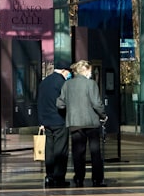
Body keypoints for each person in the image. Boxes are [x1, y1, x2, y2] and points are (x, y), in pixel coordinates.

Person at [57, 60, 107, 188]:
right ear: (84, 70)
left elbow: (60, 104)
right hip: (91, 122)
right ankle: (97, 179)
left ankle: (79, 178)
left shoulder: (67, 85)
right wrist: (103, 115)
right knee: (95, 152)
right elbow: (96, 103)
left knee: (78, 152)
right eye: (89, 70)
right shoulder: (91, 84)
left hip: (75, 123)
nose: (91, 72)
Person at [36, 61, 71, 188]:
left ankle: (49, 176)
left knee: (49, 150)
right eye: (68, 72)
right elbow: (64, 102)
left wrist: (41, 121)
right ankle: (59, 177)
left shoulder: (44, 82)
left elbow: (39, 101)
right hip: (60, 120)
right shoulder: (62, 83)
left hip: (47, 121)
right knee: (61, 150)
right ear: (64, 71)